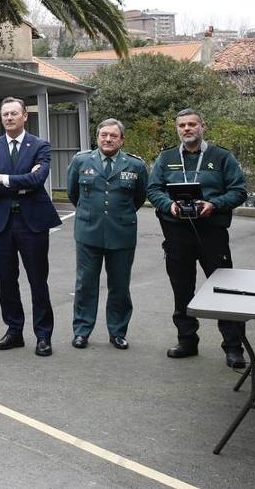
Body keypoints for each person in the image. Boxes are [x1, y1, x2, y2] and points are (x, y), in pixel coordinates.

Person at [146, 108, 249, 369]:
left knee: (225, 289)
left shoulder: (221, 156)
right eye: (182, 125)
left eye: (192, 124)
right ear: (177, 129)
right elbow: (153, 189)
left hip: (211, 231)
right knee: (182, 289)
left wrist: (213, 204)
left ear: (203, 126)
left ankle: (234, 347)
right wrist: (168, 205)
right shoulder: (166, 157)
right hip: (177, 232)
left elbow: (239, 190)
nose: (187, 129)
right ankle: (187, 340)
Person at [0, 96, 62, 357]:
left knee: (38, 280)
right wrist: (20, 183)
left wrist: (2, 178)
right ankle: (14, 331)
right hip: (1, 223)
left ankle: (43, 336)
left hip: (33, 223)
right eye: (5, 114)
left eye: (14, 113)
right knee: (6, 279)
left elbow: (38, 179)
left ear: (25, 116)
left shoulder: (40, 145)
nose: (9, 118)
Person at [66, 119, 147, 351]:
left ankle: (118, 331)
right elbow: (74, 194)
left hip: (121, 234)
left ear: (121, 139)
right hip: (88, 232)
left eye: (113, 136)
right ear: (97, 137)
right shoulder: (81, 160)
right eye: (103, 135)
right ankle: (82, 331)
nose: (108, 139)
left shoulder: (135, 165)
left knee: (120, 286)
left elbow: (139, 198)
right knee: (85, 285)